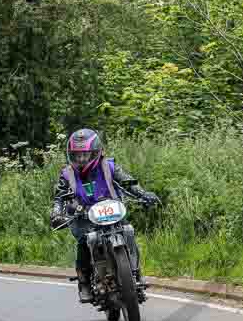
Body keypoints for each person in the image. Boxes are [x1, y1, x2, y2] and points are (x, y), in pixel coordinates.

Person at [49, 128, 160, 302]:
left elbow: (128, 183)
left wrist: (143, 194)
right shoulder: (66, 174)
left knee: (128, 231)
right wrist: (56, 214)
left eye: (85, 155)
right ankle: (84, 282)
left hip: (112, 211)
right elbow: (58, 198)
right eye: (77, 155)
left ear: (96, 152)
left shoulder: (109, 166)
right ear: (71, 155)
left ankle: (136, 273)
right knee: (85, 242)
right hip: (83, 217)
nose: (81, 159)